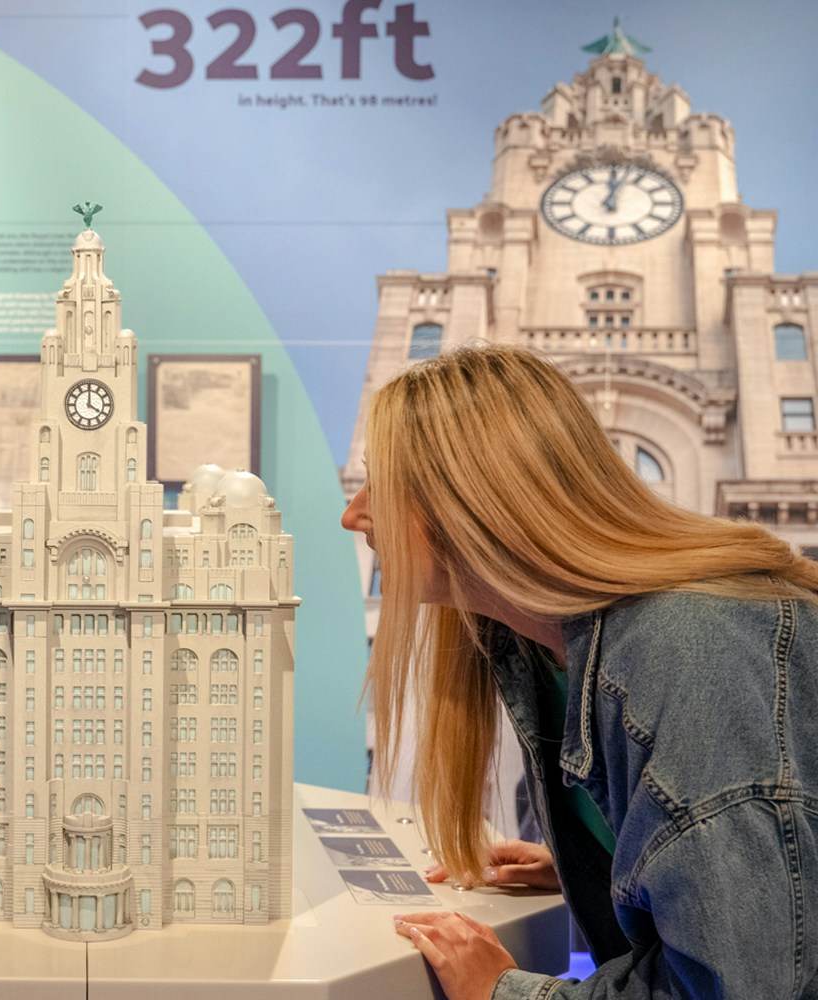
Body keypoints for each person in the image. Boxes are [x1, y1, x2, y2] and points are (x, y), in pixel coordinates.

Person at [340, 344, 818, 1000]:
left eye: (383, 484)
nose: (355, 515)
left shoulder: (689, 653)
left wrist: (502, 993)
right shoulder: (544, 645)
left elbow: (744, 986)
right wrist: (607, 867)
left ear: (475, 499)